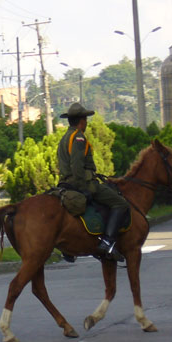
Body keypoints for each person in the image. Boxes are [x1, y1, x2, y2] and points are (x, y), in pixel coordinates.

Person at [57, 102, 130, 262]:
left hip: (65, 182)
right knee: (120, 204)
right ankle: (108, 241)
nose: (87, 123)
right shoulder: (78, 137)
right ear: (82, 121)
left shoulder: (65, 137)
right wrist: (84, 189)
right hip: (83, 183)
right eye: (85, 119)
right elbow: (76, 166)